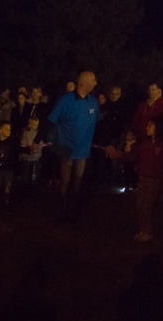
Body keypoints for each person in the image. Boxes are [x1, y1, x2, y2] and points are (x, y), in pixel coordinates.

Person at [32, 71, 101, 218]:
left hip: (82, 150)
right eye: (93, 80)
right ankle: (61, 209)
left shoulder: (93, 102)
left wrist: (106, 143)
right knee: (65, 181)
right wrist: (36, 140)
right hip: (66, 148)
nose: (96, 83)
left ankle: (72, 211)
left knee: (77, 182)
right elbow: (50, 121)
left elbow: (99, 124)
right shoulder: (65, 100)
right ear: (83, 83)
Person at [108, 117, 163, 242]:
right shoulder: (145, 144)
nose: (147, 128)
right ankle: (143, 230)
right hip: (143, 179)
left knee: (147, 206)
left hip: (154, 181)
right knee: (140, 206)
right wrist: (119, 155)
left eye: (150, 126)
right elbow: (133, 156)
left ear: (158, 128)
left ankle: (148, 231)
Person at [0, 121, 19, 208]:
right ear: (0, 131)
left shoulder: (12, 142)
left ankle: (7, 203)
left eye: (9, 129)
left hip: (8, 169)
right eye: (6, 129)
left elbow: (18, 149)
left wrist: (28, 150)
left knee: (7, 186)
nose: (8, 131)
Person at [19, 117, 42, 186]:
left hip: (36, 156)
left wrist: (37, 149)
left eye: (37, 124)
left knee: (34, 170)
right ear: (30, 125)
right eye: (34, 124)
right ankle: (24, 182)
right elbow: (22, 143)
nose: (36, 126)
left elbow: (40, 143)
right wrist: (27, 148)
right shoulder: (26, 133)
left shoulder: (38, 134)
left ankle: (33, 181)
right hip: (27, 156)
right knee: (26, 169)